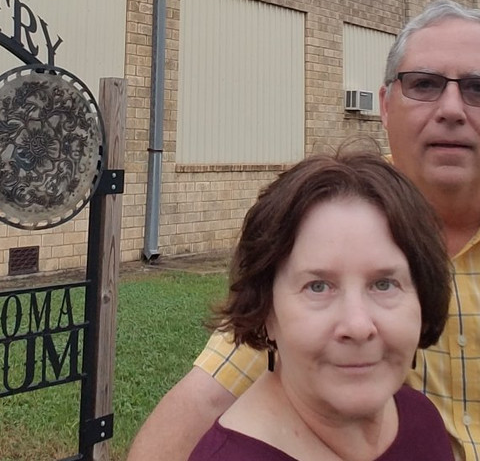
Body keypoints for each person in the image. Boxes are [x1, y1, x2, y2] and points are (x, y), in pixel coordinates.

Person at [129, 0, 480, 461]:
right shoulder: (327, 232)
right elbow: (204, 402)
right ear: (384, 104)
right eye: (424, 84)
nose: (452, 108)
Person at [188, 151, 453, 460]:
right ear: (265, 312)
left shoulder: (422, 422)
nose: (357, 326)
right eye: (318, 287)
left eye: (384, 284)